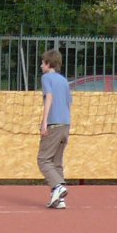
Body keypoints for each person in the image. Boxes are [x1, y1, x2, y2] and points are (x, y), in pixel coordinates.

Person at [38, 48, 72, 209]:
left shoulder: (46, 78)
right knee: (56, 162)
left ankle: (58, 186)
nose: (40, 66)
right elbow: (68, 103)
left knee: (43, 159)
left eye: (42, 63)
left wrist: (44, 122)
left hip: (54, 124)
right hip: (65, 124)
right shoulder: (64, 80)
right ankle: (59, 199)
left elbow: (49, 97)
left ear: (48, 64)